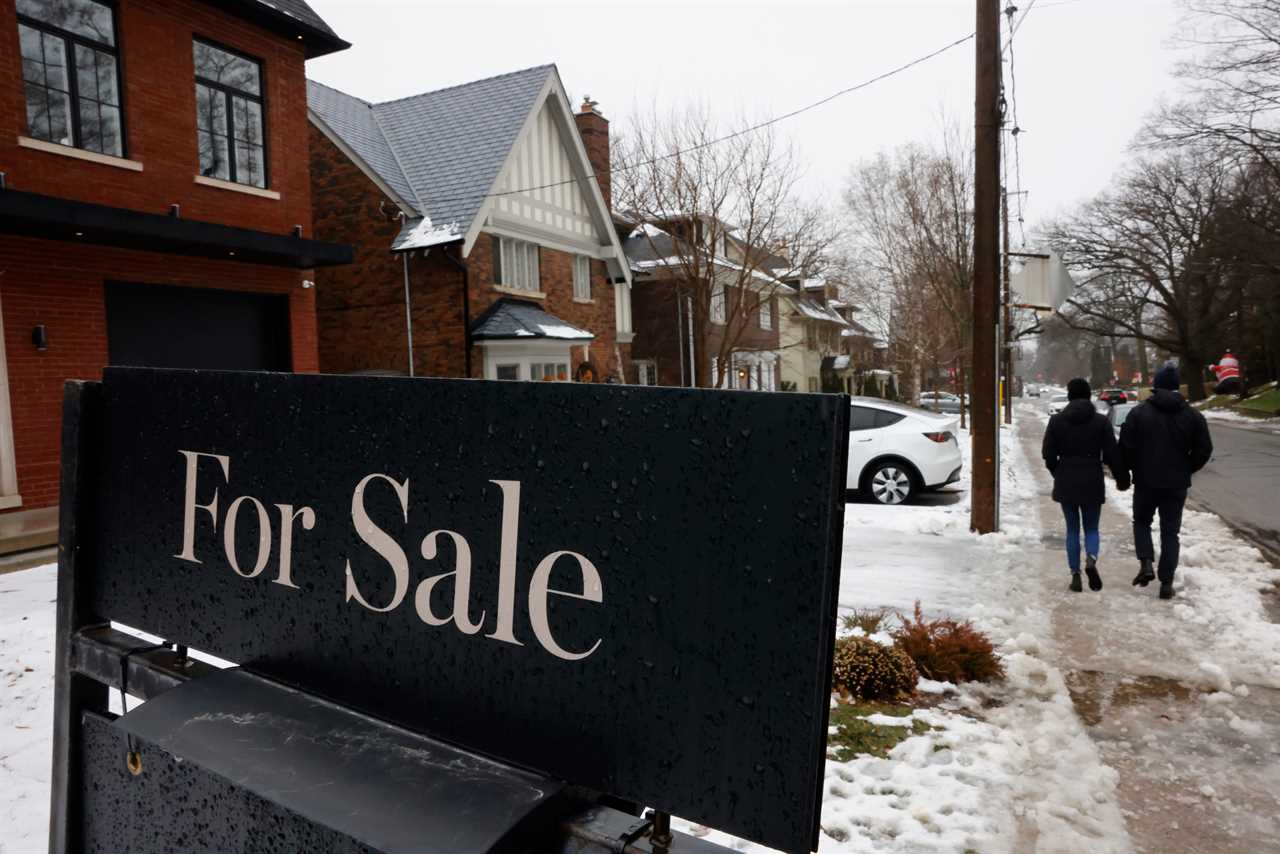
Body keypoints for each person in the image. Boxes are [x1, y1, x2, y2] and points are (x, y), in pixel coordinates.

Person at [1119, 363, 1214, 600]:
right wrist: (1186, 469)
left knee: (1141, 522)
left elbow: (1126, 447)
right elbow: (1204, 450)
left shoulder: (1139, 413)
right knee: (1170, 532)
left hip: (1146, 481)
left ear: (1156, 386)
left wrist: (1133, 469)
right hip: (1176, 484)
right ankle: (1166, 582)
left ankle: (1146, 563)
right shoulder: (1192, 415)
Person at [1042, 377, 1130, 593]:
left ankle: (1075, 574)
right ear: (1089, 395)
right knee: (1091, 528)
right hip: (1092, 478)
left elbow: (1048, 455)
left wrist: (1058, 472)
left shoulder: (1057, 421)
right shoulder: (1100, 422)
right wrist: (1122, 478)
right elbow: (1112, 453)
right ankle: (1091, 558)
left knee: (1072, 529)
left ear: (1070, 396)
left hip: (1067, 480)